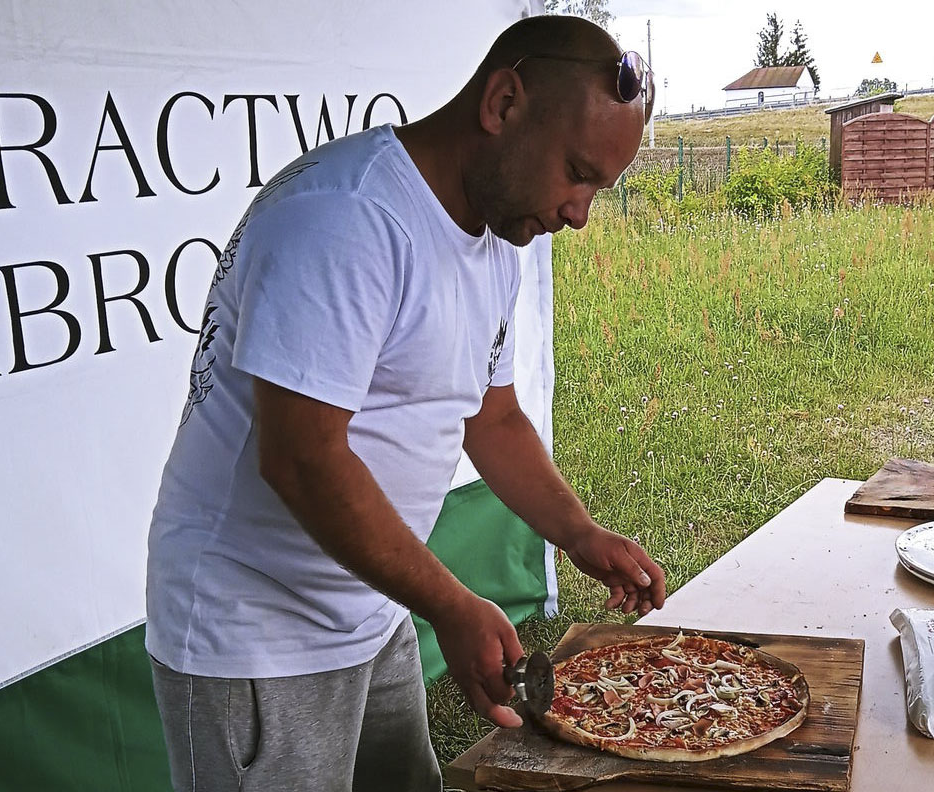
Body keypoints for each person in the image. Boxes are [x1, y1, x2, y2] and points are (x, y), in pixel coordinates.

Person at [145, 15, 664, 792]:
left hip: (368, 604)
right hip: (254, 632)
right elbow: (301, 458)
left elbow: (491, 418)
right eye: (576, 172)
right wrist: (452, 605)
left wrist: (579, 532)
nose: (579, 213)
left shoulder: (495, 238)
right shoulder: (347, 217)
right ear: (502, 102)